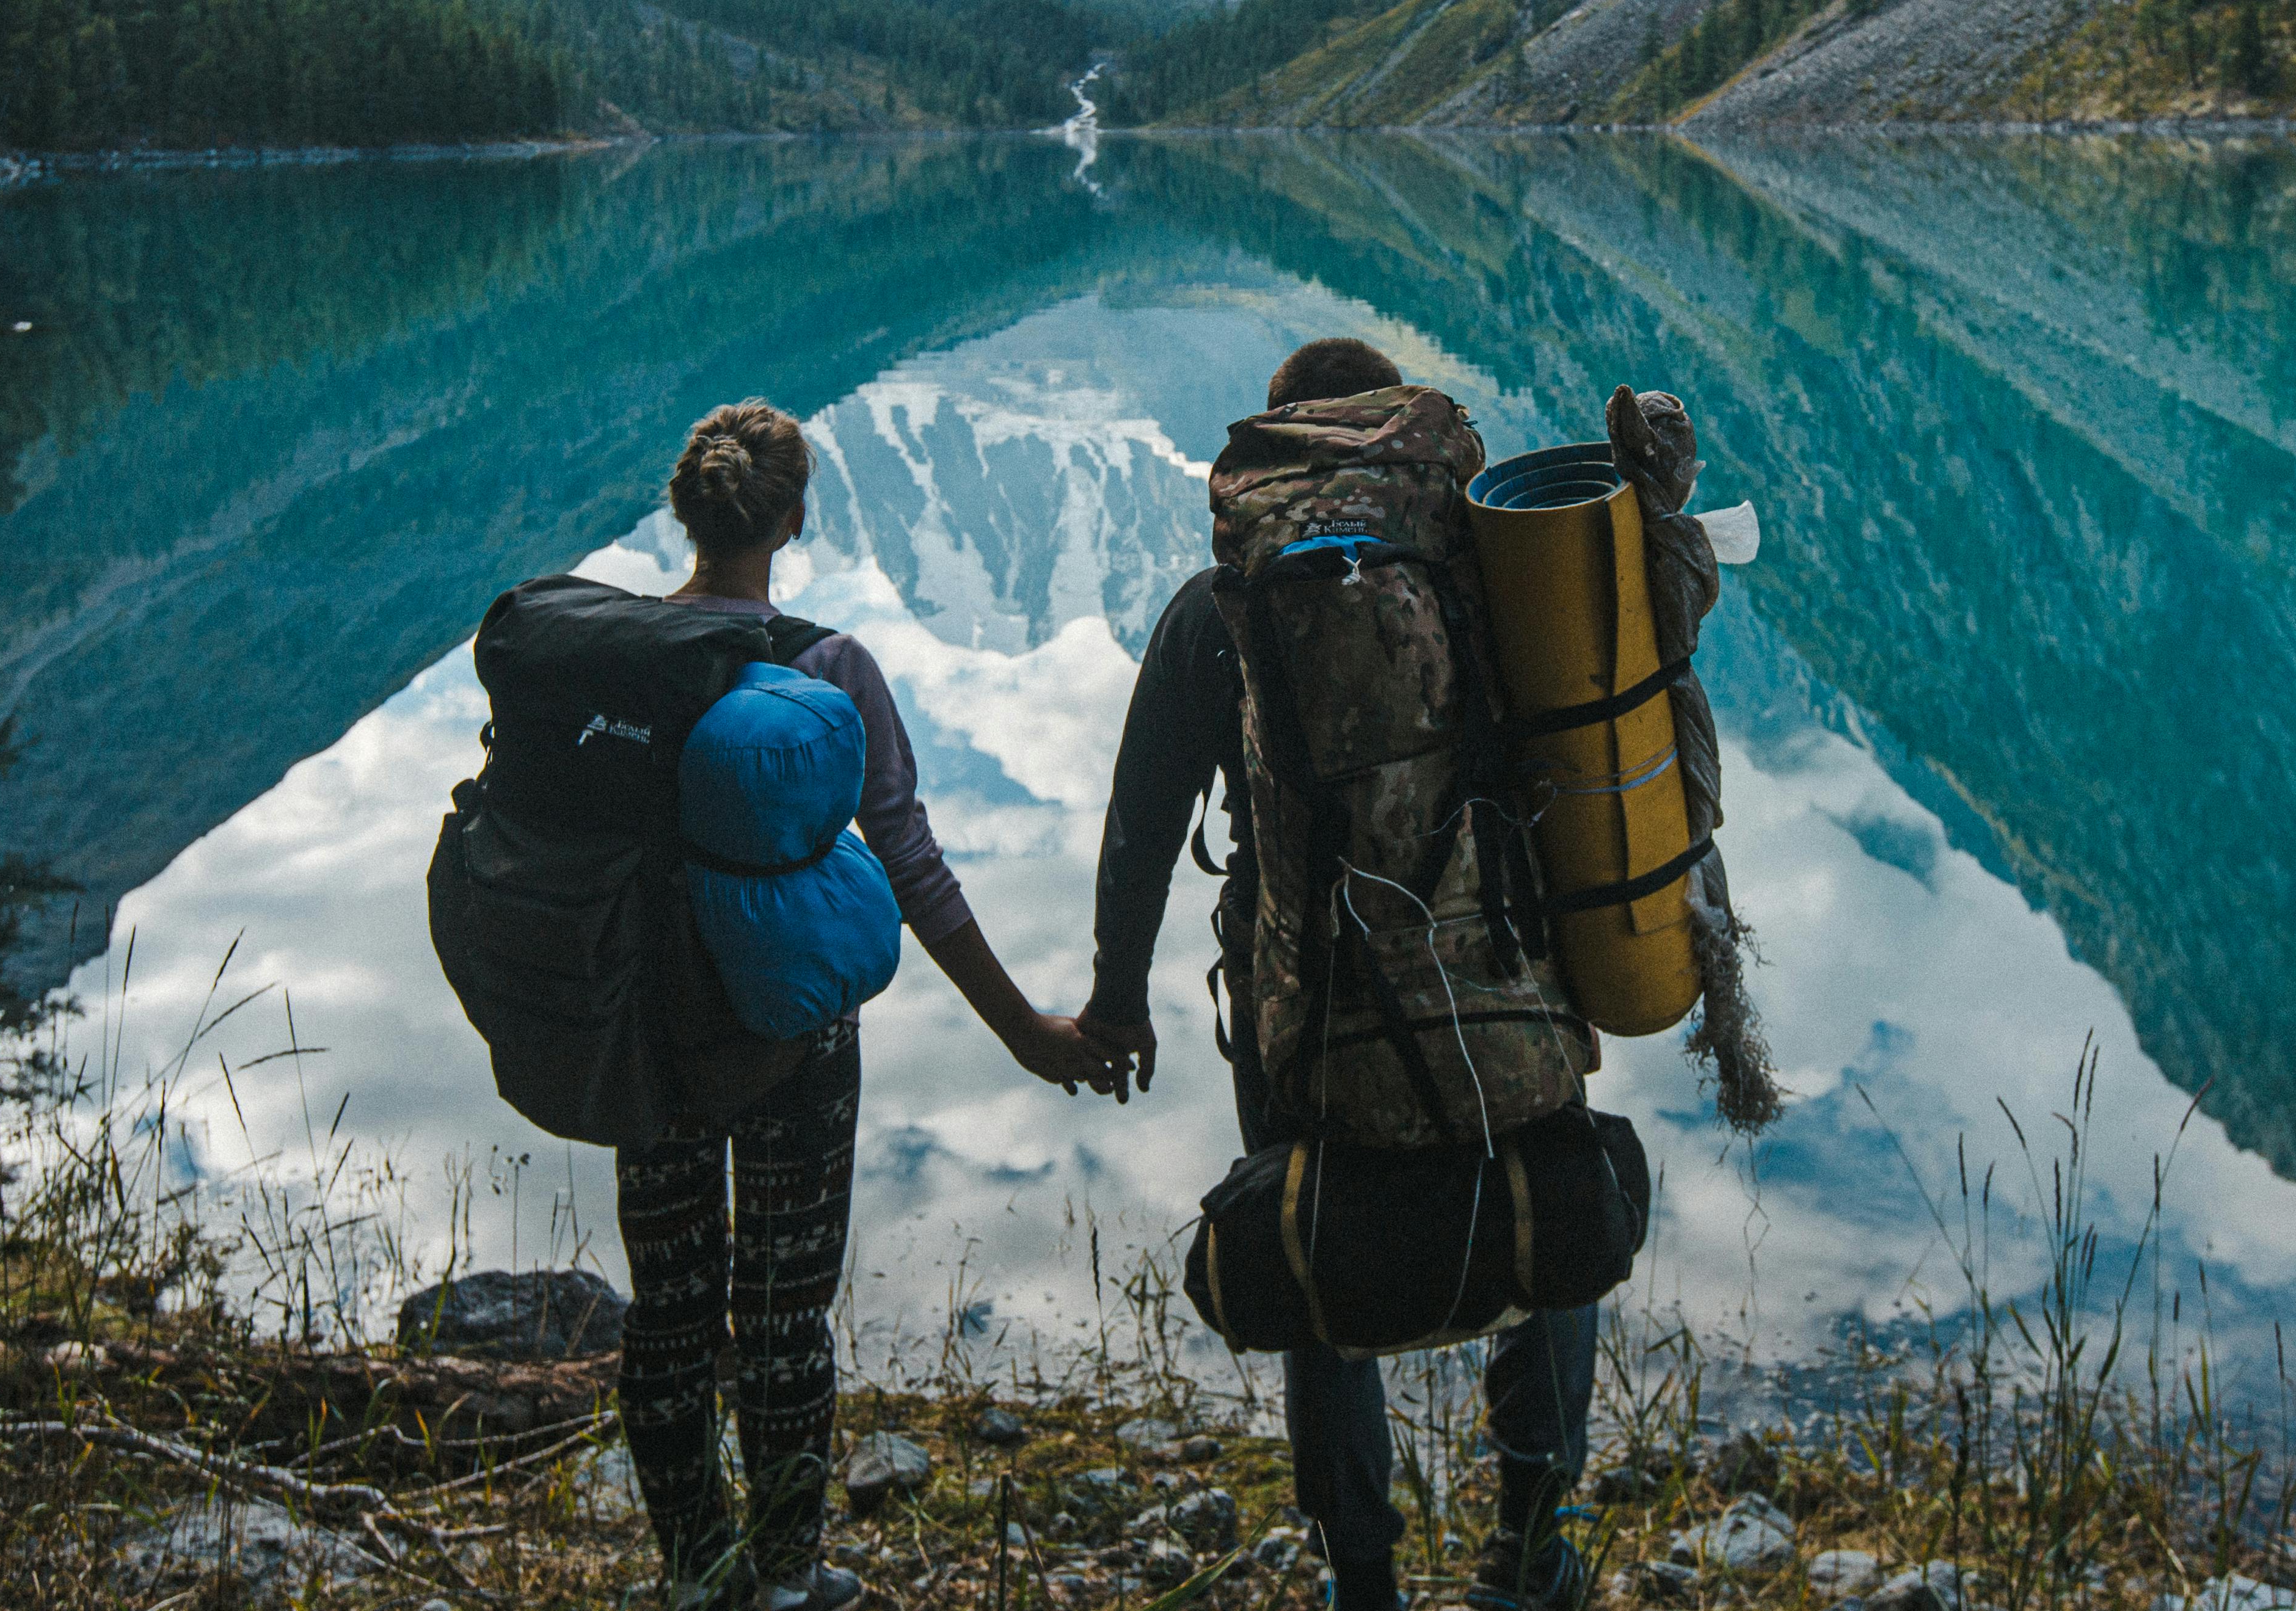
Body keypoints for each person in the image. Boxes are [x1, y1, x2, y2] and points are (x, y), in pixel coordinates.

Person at [1080, 340, 1598, 1611]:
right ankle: (1528, 1546)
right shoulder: (1480, 578)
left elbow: (1141, 825)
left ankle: (1358, 1576)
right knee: (1546, 1216)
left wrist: (1115, 997)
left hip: (1302, 997)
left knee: (1316, 1255)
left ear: (1272, 461)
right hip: (1499, 970)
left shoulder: (1222, 609)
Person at [625, 401, 1120, 1611]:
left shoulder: (618, 652)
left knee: (671, 1308)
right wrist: (1025, 1029)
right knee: (785, 1309)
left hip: (654, 1026)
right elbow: (907, 859)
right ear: (792, 520)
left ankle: (697, 1574)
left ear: (682, 514)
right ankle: (788, 1578)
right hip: (795, 1039)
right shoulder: (828, 665)